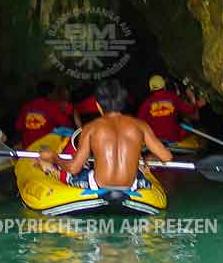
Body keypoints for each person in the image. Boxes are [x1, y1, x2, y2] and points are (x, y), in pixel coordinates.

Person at [39, 79, 172, 191]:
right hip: (131, 186)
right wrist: (149, 158)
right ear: (123, 102)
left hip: (97, 186)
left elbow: (74, 168)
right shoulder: (140, 126)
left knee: (74, 171)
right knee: (140, 171)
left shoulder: (90, 128)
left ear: (98, 105)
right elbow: (167, 157)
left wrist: (54, 157)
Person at [136, 74, 205, 142]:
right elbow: (189, 110)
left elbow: (138, 122)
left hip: (156, 140)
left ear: (151, 88)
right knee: (188, 124)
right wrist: (196, 103)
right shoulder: (172, 97)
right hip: (173, 137)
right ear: (164, 85)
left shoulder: (146, 103)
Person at [15, 80, 73, 148]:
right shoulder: (52, 107)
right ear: (50, 94)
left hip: (27, 148)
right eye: (55, 93)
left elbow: (18, 126)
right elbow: (67, 125)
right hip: (44, 149)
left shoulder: (27, 106)